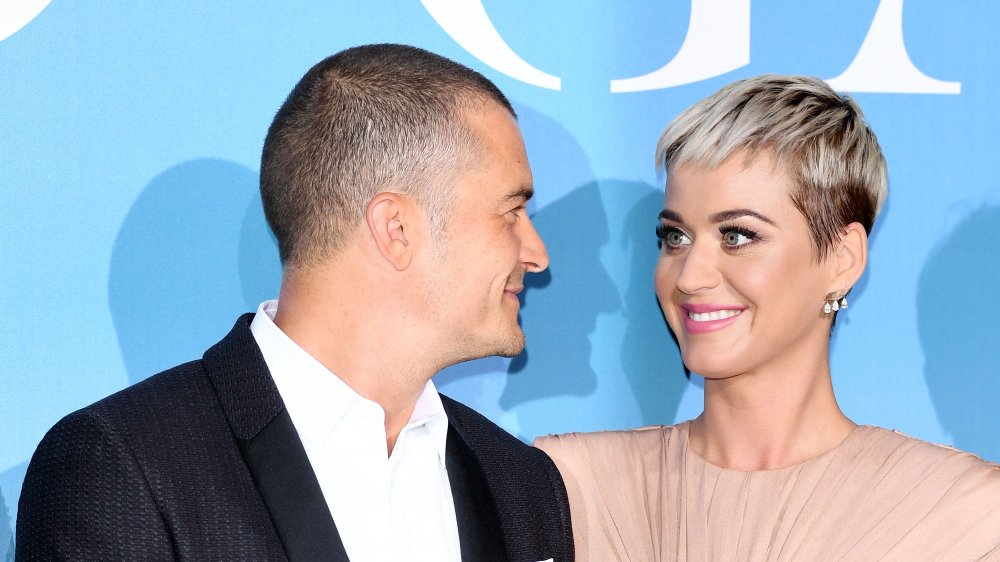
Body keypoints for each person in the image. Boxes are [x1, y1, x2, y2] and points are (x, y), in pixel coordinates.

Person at [17, 44, 573, 562]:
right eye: (512, 211)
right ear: (396, 227)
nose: (537, 253)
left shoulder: (521, 484)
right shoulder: (120, 469)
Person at [536, 75, 1000, 560]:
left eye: (737, 236)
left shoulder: (962, 516)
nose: (690, 276)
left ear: (842, 259)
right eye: (676, 237)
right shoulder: (569, 485)